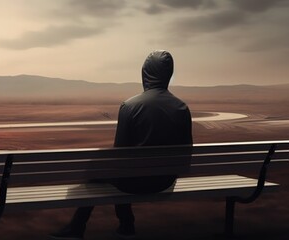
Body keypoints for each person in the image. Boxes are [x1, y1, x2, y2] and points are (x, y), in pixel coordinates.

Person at [49, 50, 193, 240]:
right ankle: (125, 226)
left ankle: (81, 227)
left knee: (104, 173)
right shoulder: (182, 108)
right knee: (122, 170)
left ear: (145, 73)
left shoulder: (130, 106)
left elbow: (120, 154)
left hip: (133, 183)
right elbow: (186, 154)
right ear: (168, 74)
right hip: (165, 181)